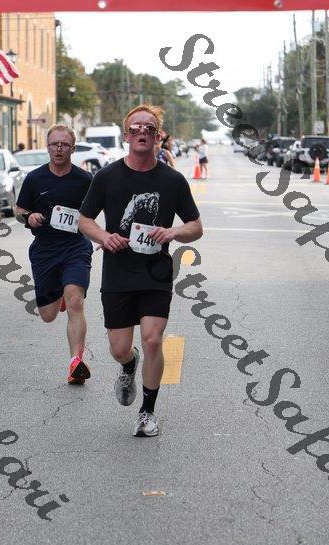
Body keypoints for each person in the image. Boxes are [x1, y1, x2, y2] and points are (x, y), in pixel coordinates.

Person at [79, 104, 203, 437]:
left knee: (152, 340)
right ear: (126, 135)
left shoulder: (172, 180)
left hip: (155, 273)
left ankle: (147, 412)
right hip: (118, 272)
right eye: (135, 128)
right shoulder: (107, 176)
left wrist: (173, 232)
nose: (142, 132)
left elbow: (195, 226)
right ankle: (128, 364)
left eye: (149, 128)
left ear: (158, 136)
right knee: (119, 348)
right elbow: (84, 220)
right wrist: (104, 237)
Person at [15, 124, 93, 385]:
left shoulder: (85, 180)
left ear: (73, 148)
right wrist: (29, 217)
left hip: (75, 247)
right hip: (45, 251)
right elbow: (19, 210)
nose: (59, 149)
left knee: (76, 301)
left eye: (64, 145)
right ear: (47, 147)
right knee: (48, 315)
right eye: (54, 144)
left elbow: (99, 210)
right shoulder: (35, 179)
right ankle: (59, 293)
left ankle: (75, 363)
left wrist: (106, 235)